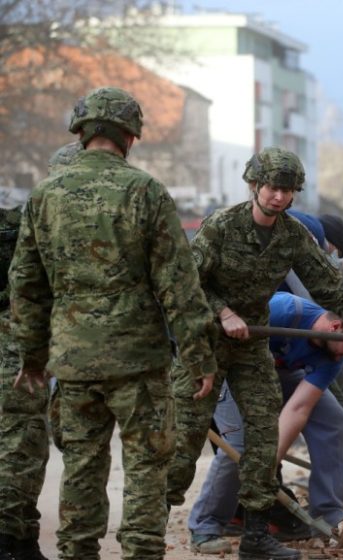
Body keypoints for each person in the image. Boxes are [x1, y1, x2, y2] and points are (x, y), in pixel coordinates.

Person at [10, 87, 219, 560]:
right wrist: (199, 356)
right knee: (147, 468)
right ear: (130, 135)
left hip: (75, 361)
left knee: (82, 466)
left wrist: (32, 357)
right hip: (138, 363)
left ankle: (77, 551)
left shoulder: (43, 196)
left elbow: (27, 285)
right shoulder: (145, 191)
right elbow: (179, 286)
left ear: (81, 131)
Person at [166, 146, 343, 560]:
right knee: (185, 442)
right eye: (273, 187)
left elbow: (331, 286)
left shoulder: (292, 235)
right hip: (207, 344)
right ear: (255, 185)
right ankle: (151, 528)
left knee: (262, 438)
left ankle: (256, 536)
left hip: (251, 347)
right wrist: (223, 312)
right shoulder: (221, 226)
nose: (278, 197)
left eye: (287, 190)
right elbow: (188, 283)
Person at [188, 293, 343, 553]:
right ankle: (206, 525)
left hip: (279, 373)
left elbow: (299, 408)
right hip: (229, 370)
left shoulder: (334, 357)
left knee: (333, 419)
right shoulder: (282, 311)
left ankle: (328, 513)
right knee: (240, 447)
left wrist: (267, 467)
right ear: (335, 327)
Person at [0, 141, 80, 560]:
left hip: (41, 344)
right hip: (20, 347)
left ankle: (22, 537)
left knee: (31, 443)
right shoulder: (28, 221)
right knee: (23, 442)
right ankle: (13, 542)